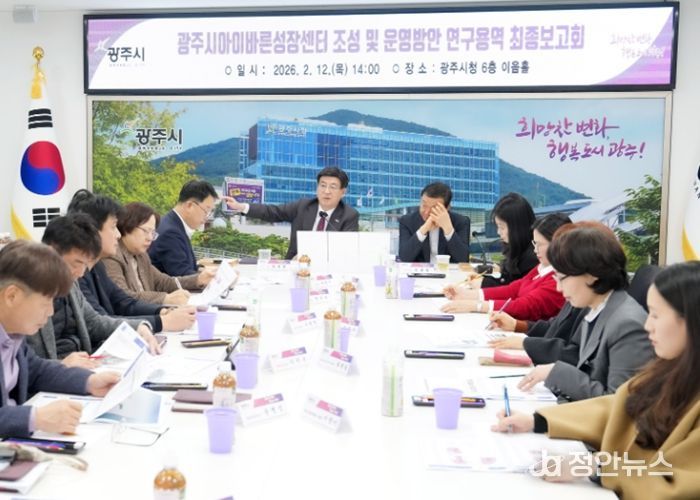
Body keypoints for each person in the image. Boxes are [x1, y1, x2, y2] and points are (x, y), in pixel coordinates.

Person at [492, 262, 700, 499]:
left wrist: (593, 467)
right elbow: (618, 408)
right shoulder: (668, 370)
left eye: (655, 315)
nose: (647, 325)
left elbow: (675, 482)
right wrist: (537, 421)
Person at [516, 222, 653, 401]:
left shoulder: (627, 324)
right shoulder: (597, 308)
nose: (558, 288)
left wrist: (556, 373)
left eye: (562, 278)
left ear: (592, 274)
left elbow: (617, 404)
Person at [0, 240, 120, 437]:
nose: (50, 312)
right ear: (12, 296)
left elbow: (36, 370)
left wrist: (89, 381)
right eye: (45, 302)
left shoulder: (12, 333)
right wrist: (35, 418)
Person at [28, 215, 160, 367]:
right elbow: (23, 365)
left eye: (85, 265)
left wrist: (138, 327)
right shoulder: (27, 291)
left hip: (83, 364)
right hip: (56, 374)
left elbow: (93, 322)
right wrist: (61, 365)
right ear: (51, 252)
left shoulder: (70, 283)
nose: (80, 273)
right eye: (76, 263)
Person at [68, 191, 195, 332]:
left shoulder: (98, 266)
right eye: (113, 227)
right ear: (91, 230)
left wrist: (162, 312)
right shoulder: (76, 273)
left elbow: (123, 301)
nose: (118, 234)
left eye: (152, 233)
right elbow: (99, 322)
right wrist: (161, 320)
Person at [441, 213, 568, 321]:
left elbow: (524, 306)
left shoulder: (558, 278)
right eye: (535, 243)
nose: (535, 250)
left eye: (540, 244)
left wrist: (476, 305)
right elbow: (514, 289)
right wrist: (469, 294)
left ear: (557, 245)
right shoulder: (543, 266)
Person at [224, 167, 359, 260]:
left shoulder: (349, 215)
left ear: (343, 192)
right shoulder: (303, 206)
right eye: (323, 185)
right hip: (294, 266)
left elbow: (345, 250)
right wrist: (241, 207)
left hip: (327, 270)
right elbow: (272, 212)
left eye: (333, 187)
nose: (326, 191)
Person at [104, 202, 213, 305]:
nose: (150, 238)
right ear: (127, 226)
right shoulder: (112, 256)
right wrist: (166, 298)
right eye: (146, 231)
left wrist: (198, 279)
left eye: (153, 233)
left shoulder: (141, 256)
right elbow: (123, 297)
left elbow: (164, 282)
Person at [149, 180, 220, 277]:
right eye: (206, 211)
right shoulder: (170, 233)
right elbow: (183, 275)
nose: (207, 217)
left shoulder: (173, 224)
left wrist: (206, 270)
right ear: (189, 206)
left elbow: (186, 266)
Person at [398, 182, 470, 264]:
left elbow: (463, 259)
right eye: (424, 205)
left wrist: (448, 229)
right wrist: (424, 229)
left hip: (448, 271)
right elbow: (404, 257)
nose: (426, 212)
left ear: (447, 208)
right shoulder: (407, 221)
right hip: (421, 271)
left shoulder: (460, 222)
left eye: (434, 208)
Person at [477, 193, 538, 289]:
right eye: (498, 227)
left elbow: (514, 290)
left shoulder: (533, 258)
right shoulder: (517, 247)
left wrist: (484, 283)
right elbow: (507, 280)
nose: (498, 232)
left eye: (502, 227)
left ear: (517, 227)